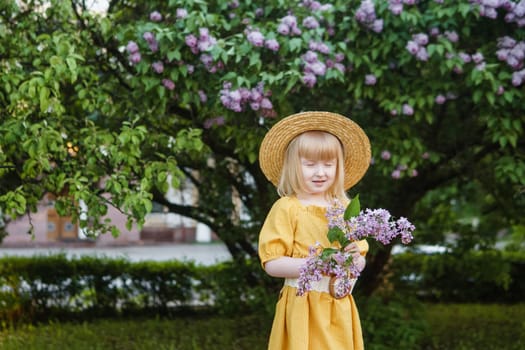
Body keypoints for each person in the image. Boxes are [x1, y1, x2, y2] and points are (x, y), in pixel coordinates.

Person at [258, 111, 372, 350]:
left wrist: (353, 260)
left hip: (338, 306)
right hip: (303, 306)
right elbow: (272, 263)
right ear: (293, 166)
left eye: (328, 165)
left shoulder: (344, 209)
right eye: (310, 165)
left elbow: (359, 261)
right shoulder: (288, 208)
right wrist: (316, 265)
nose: (320, 172)